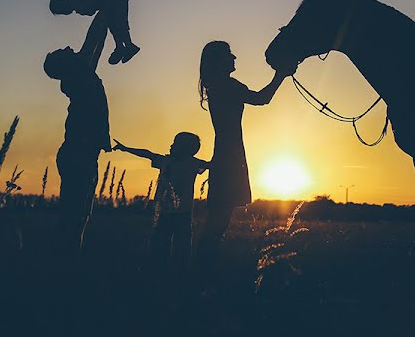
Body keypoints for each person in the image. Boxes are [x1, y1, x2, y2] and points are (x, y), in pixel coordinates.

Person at [195, 41, 295, 280]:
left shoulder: (217, 86)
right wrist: (280, 75)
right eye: (230, 55)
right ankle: (201, 271)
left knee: (218, 220)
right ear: (220, 61)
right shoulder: (227, 85)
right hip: (230, 154)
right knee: (218, 222)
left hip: (226, 151)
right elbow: (262, 99)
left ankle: (202, 269)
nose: (235, 57)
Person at [44, 11, 112, 252]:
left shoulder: (79, 74)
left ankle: (68, 261)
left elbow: (96, 46)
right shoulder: (77, 77)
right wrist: (103, 13)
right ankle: (66, 264)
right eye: (64, 52)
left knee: (80, 216)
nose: (67, 47)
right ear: (64, 66)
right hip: (78, 154)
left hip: (81, 154)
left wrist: (106, 19)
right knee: (75, 217)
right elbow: (91, 43)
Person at [112, 133, 209, 268]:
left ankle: (179, 271)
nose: (171, 145)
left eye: (175, 143)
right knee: (160, 245)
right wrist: (126, 148)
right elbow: (147, 154)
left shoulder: (193, 163)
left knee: (182, 248)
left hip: (183, 214)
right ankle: (160, 269)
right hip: (165, 212)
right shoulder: (166, 161)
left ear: (185, 148)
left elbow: (212, 165)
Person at [49, 0, 140, 65]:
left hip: (115, 0)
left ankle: (126, 46)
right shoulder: (79, 6)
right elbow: (88, 8)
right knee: (115, 26)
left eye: (63, 6)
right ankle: (123, 47)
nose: (66, 10)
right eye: (63, 11)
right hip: (112, 4)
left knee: (119, 25)